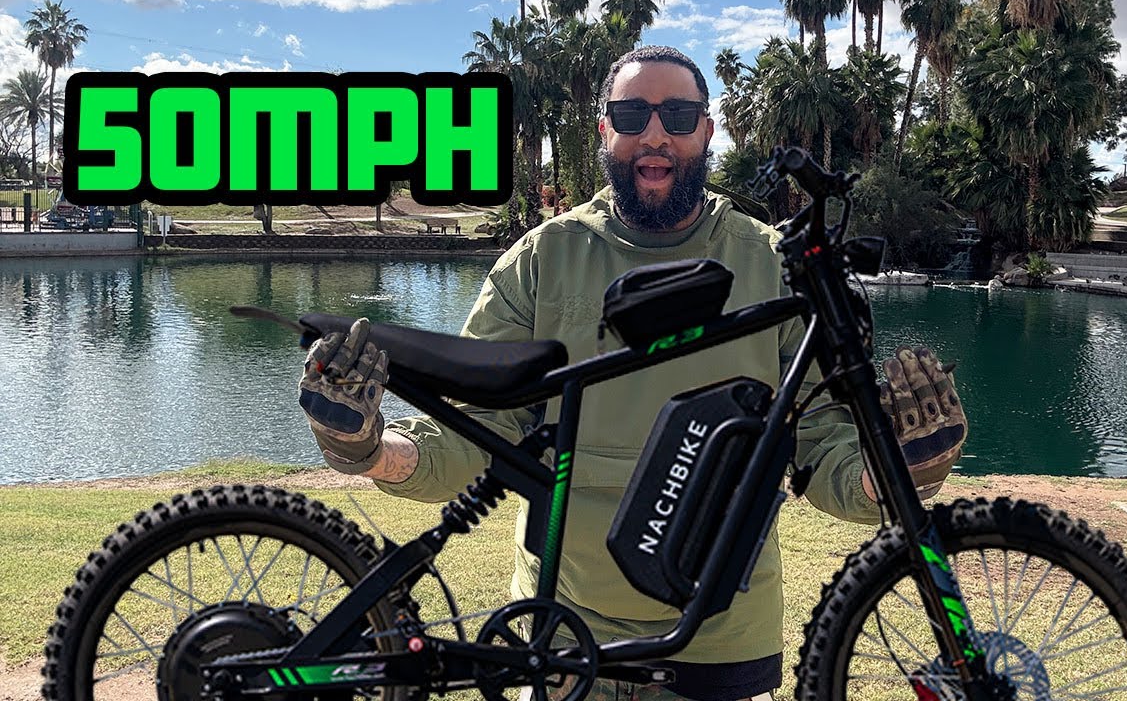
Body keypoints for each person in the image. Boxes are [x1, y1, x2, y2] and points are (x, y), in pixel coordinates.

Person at [297, 46, 969, 701]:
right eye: (631, 116)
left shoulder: (775, 265)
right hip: (562, 634)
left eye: (678, 116)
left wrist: (906, 468)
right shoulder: (541, 260)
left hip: (717, 640)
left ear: (707, 130)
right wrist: (367, 447)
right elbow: (479, 431)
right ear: (604, 131)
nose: (654, 136)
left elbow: (823, 447)